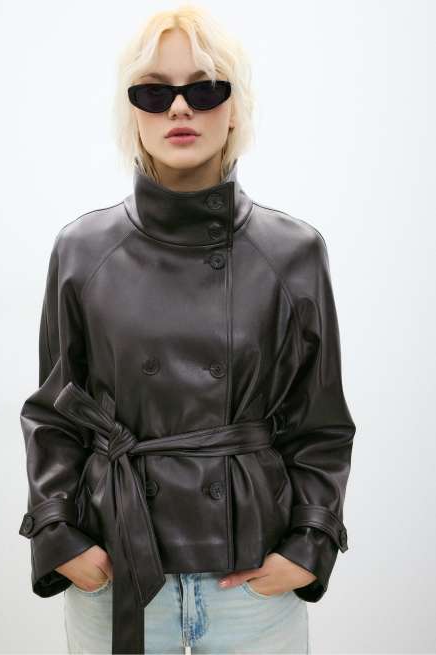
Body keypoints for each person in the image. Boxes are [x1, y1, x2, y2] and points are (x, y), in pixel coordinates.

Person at [18, 5, 356, 654]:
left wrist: (310, 542)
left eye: (204, 90)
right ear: (132, 112)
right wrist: (59, 533)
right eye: (154, 91)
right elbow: (54, 413)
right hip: (117, 569)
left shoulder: (292, 252)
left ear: (234, 108)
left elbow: (320, 424)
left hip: (249, 582)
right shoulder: (82, 250)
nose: (179, 108)